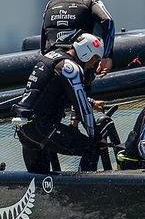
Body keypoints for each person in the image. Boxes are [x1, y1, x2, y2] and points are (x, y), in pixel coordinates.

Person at [12, 33, 107, 173]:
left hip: (24, 127)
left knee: (39, 179)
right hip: (42, 127)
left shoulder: (52, 57)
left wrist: (91, 102)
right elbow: (83, 109)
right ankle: (85, 193)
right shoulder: (71, 68)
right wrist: (96, 137)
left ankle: (52, 194)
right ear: (86, 53)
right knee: (92, 147)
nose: (94, 64)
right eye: (95, 59)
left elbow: (53, 93)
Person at [40, 0, 116, 75]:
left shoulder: (51, 3)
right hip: (79, 65)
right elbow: (108, 21)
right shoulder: (91, 0)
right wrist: (107, 56)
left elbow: (43, 37)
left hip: (51, 64)